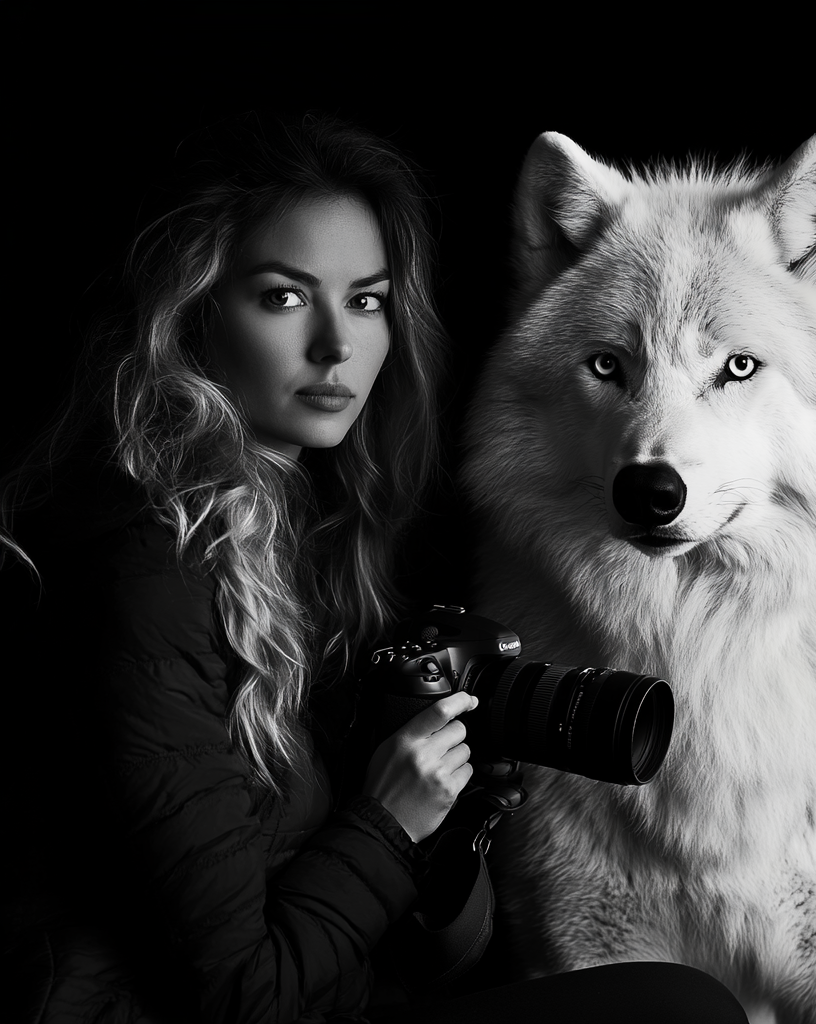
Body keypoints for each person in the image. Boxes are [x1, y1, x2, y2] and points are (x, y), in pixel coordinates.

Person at [1, 113, 748, 1023]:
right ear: (194, 309)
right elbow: (245, 994)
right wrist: (388, 818)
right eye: (283, 297)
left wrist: (451, 827)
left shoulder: (318, 539)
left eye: (366, 300)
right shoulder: (151, 566)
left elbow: (437, 962)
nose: (336, 346)